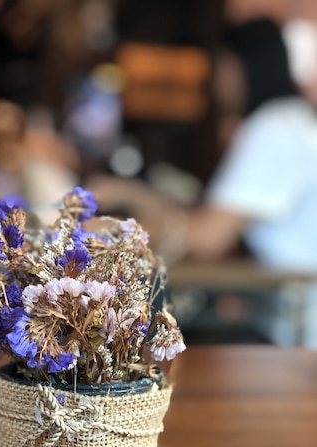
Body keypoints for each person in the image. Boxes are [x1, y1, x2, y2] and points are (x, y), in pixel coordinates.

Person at [90, 18, 317, 274]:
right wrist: (130, 193)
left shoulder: (274, 127)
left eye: (221, 66)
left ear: (246, 66)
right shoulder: (291, 120)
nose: (214, 80)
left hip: (298, 307)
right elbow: (205, 220)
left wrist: (106, 231)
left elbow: (207, 238)